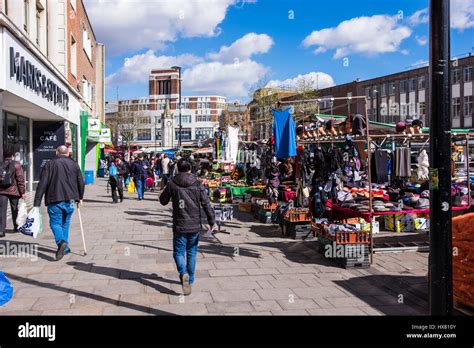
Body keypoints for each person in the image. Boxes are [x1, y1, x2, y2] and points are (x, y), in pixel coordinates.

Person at [159, 159, 216, 295]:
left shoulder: (172, 183)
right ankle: (189, 280)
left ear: (178, 168)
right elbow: (206, 204)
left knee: (178, 253)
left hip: (180, 225)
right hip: (194, 225)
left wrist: (163, 191)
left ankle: (183, 273)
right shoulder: (197, 184)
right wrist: (212, 221)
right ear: (190, 168)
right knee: (191, 253)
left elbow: (163, 201)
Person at [33, 145, 85, 261]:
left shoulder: (50, 164)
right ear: (67, 153)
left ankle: (61, 242)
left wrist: (36, 202)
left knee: (55, 223)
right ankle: (65, 247)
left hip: (55, 198)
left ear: (57, 152)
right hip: (71, 200)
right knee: (65, 223)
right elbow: (80, 182)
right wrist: (80, 197)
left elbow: (42, 184)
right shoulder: (74, 164)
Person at [0, 151, 27, 238]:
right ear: (12, 156)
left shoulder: (1, 164)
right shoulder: (16, 164)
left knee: (2, 210)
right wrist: (22, 192)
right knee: (14, 209)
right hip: (14, 191)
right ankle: (16, 227)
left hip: (2, 191)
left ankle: (1, 230)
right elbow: (20, 179)